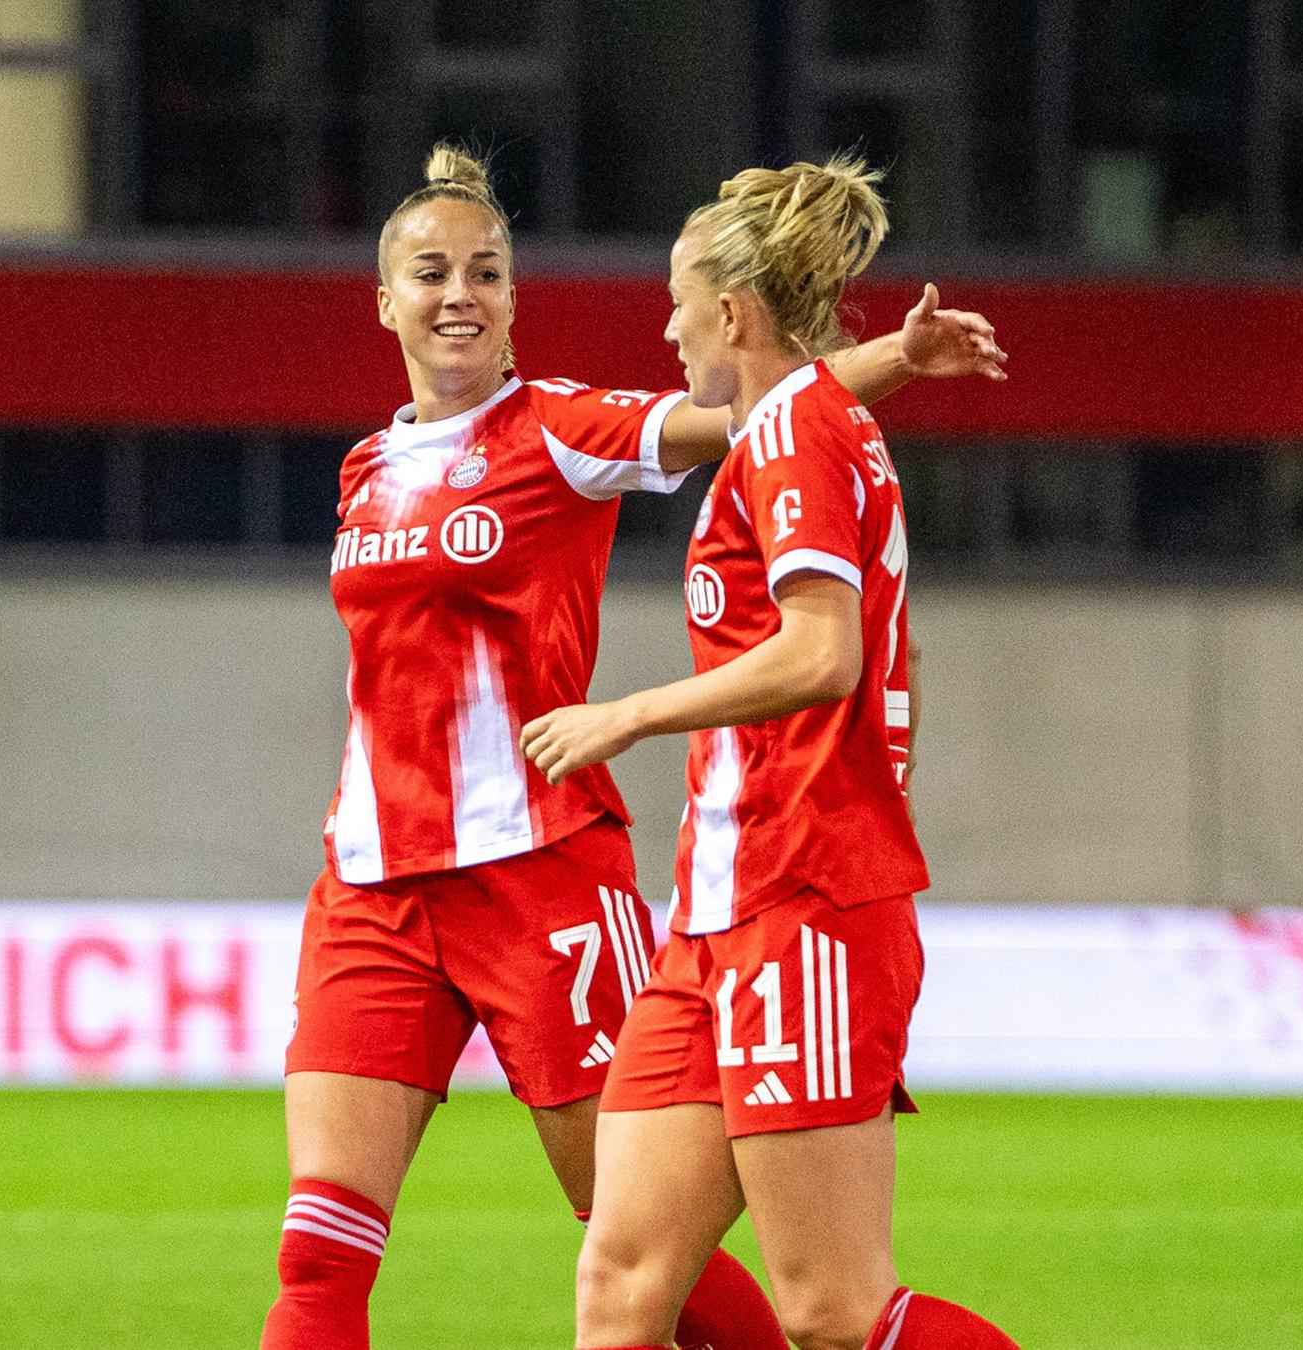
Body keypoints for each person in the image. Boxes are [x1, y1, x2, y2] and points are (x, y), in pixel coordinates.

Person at [262, 146, 1005, 1350]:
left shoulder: (560, 428)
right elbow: (775, 406)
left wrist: (887, 364)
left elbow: (760, 413)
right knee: (336, 1254)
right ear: (382, 299)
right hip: (376, 883)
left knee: (702, 1264)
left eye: (488, 271)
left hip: (549, 877)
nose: (461, 292)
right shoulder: (363, 470)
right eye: (432, 271)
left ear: (512, 301)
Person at [520, 158, 1017, 1350]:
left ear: (732, 313)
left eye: (680, 299)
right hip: (717, 918)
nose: (668, 322)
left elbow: (822, 654)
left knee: (834, 1313)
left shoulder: (795, 435)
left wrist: (629, 713)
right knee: (625, 1287)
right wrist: (896, 357)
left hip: (808, 899)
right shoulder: (797, 420)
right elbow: (789, 404)